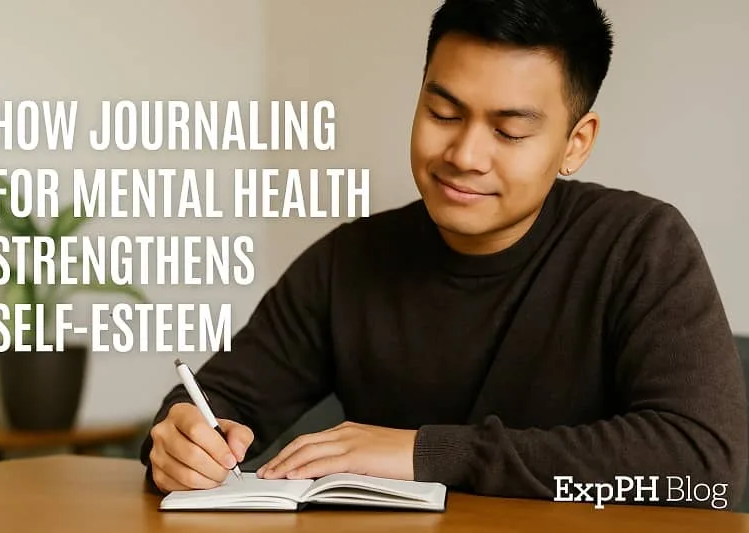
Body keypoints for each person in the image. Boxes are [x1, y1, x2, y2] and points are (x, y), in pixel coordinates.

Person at [141, 0, 747, 509]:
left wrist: (421, 453)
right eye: (443, 112)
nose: (464, 154)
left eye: (509, 131)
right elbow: (219, 401)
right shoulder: (347, 262)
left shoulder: (639, 245)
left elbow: (703, 467)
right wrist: (182, 440)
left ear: (576, 143)